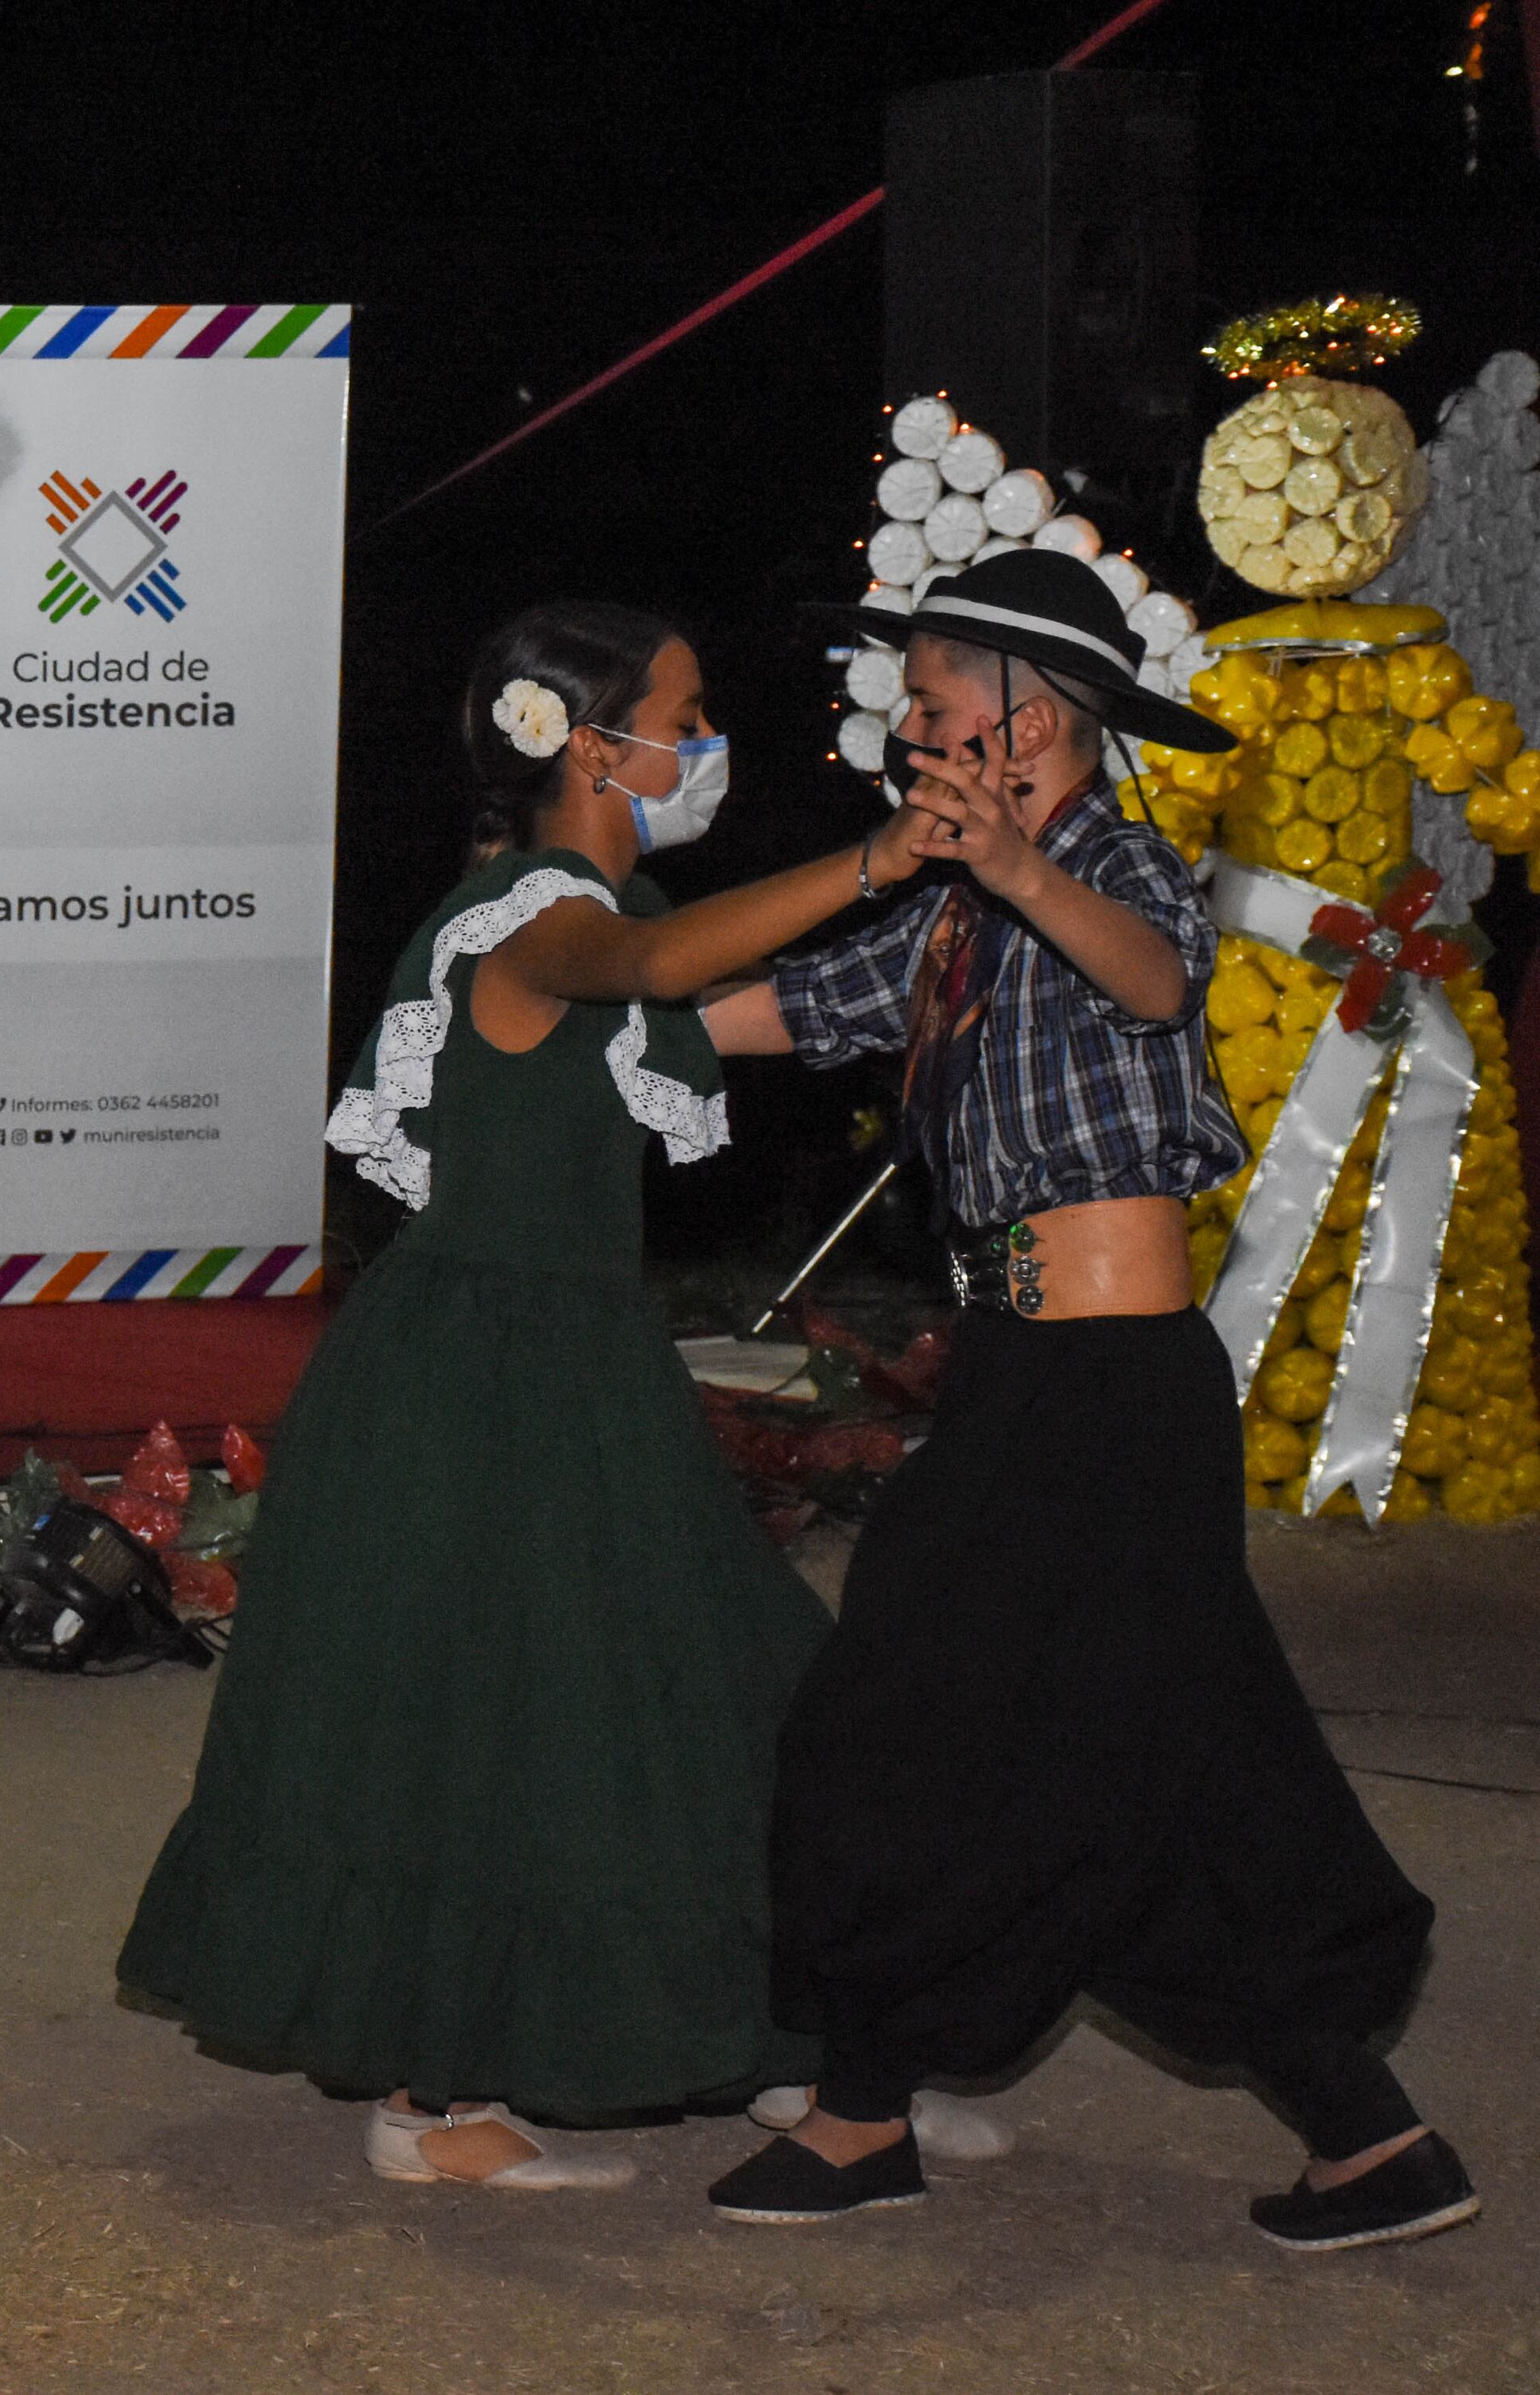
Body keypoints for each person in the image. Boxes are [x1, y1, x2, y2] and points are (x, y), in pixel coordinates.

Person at [117, 603, 957, 2190]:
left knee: (712, 1684)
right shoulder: (535, 911)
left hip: (554, 1358)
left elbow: (704, 1007)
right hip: (484, 1372)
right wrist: (874, 861)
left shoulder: (596, 907)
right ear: (587, 743)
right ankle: (437, 2103)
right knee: (510, 1722)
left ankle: (771, 2035)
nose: (704, 743)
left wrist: (944, 958)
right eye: (682, 711)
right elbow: (639, 965)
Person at [698, 548, 1474, 2250]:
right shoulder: (950, 914)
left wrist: (1016, 867)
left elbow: (1152, 975)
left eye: (927, 696)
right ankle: (1369, 2138)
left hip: (1109, 1385)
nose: (901, 723)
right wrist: (564, 1024)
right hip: (1035, 1377)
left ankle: (857, 2110)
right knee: (1164, 1763)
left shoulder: (1112, 862)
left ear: (1027, 714)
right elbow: (769, 1003)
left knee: (893, 1708)